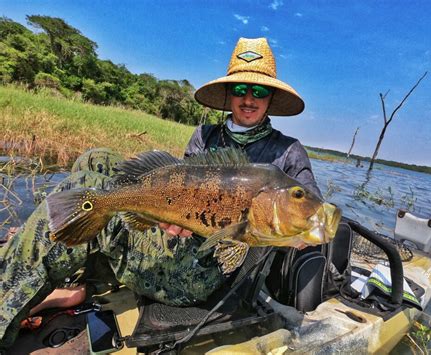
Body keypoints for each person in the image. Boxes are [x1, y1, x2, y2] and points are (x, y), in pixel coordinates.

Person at [0, 37, 321, 348]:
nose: (248, 99)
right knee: (94, 159)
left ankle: (9, 298)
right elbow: (177, 195)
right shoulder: (205, 135)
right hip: (178, 239)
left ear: (270, 99)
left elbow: (311, 221)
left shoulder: (289, 153)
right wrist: (164, 215)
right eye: (240, 89)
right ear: (227, 92)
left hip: (204, 269)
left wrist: (289, 232)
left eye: (259, 91)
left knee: (82, 191)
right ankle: (71, 276)